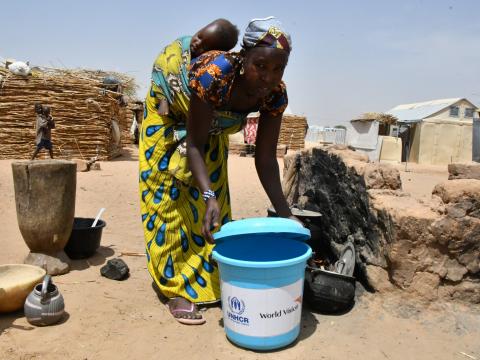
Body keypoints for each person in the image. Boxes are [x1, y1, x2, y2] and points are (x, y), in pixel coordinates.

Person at [139, 16, 295, 325]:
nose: (268, 77)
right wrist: (207, 193)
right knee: (172, 202)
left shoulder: (275, 94)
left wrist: (285, 213)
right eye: (260, 66)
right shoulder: (217, 74)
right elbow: (193, 145)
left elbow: (264, 158)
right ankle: (176, 289)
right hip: (171, 116)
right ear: (242, 58)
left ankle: (208, 279)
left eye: (278, 69)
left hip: (207, 128)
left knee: (213, 212)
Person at [152, 18, 239, 117]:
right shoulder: (181, 44)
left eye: (205, 47)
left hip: (191, 103)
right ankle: (163, 98)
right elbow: (161, 63)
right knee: (166, 63)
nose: (197, 43)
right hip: (163, 89)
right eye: (199, 36)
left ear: (214, 53)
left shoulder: (209, 64)